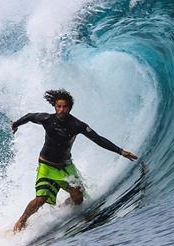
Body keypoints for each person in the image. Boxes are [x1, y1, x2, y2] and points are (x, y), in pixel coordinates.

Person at [11, 89, 138, 232]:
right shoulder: (47, 119)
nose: (61, 110)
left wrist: (120, 151)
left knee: (78, 198)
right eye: (58, 106)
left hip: (65, 167)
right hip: (46, 166)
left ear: (70, 107)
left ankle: (64, 208)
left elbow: (98, 139)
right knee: (41, 199)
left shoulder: (77, 125)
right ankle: (22, 220)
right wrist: (15, 124)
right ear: (54, 106)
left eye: (65, 107)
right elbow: (29, 116)